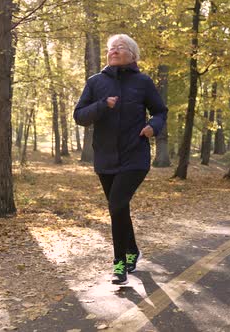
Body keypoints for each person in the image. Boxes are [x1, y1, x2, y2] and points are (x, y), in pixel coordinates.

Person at [73, 34, 168, 285]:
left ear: (133, 54)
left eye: (120, 47)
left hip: (135, 155)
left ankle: (119, 266)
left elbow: (159, 111)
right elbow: (80, 116)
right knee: (119, 208)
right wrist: (103, 105)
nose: (113, 51)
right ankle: (133, 251)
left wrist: (153, 127)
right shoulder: (95, 83)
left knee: (116, 204)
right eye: (111, 48)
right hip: (105, 157)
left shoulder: (143, 82)